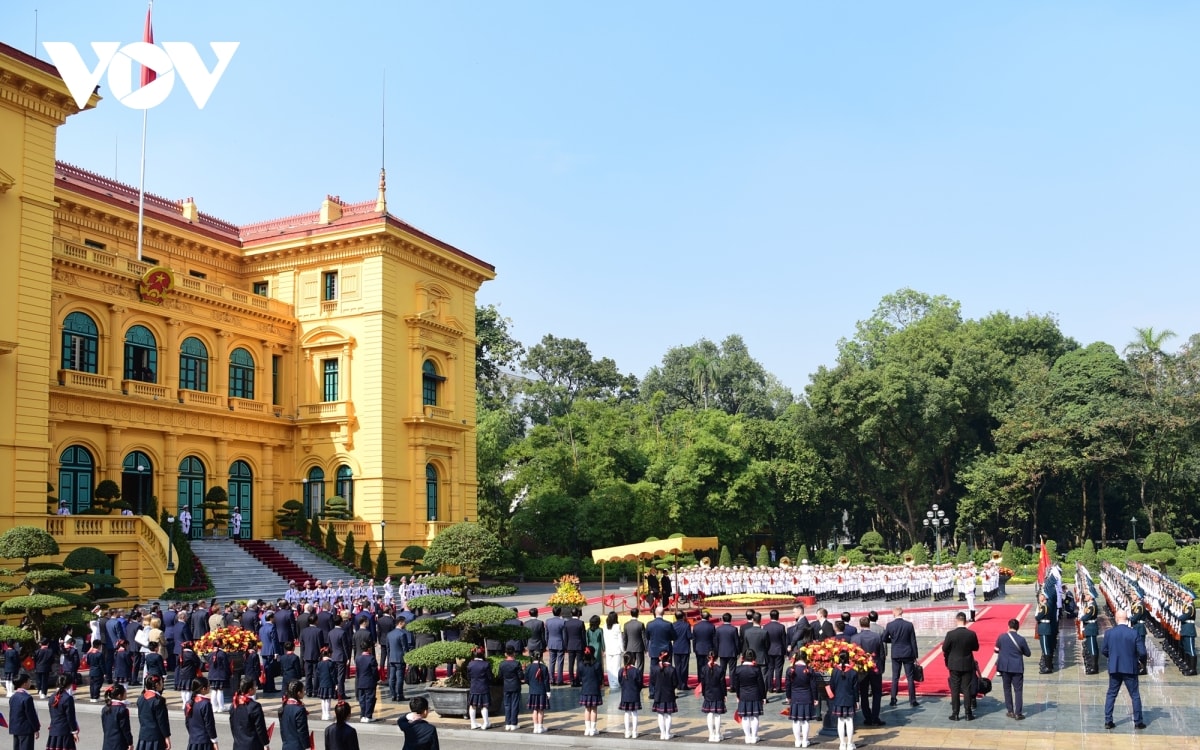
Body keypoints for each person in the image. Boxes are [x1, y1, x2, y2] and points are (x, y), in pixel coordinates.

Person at [1102, 609, 1147, 730]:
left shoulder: (1109, 633)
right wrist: (1138, 661)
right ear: (1126, 619)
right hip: (1130, 667)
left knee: (1111, 694)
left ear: (1116, 619)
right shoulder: (1134, 633)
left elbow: (1104, 650)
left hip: (1114, 667)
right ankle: (1138, 722)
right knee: (1135, 695)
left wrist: (1112, 658)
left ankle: (1108, 720)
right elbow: (1142, 652)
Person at [942, 612, 979, 721]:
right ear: (965, 621)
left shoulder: (950, 634)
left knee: (955, 689)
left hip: (954, 664)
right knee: (967, 688)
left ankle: (955, 713)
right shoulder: (971, 634)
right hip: (967, 663)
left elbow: (944, 648)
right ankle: (968, 713)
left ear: (956, 620)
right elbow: (976, 647)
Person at [850, 616, 885, 726]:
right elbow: (882, 654)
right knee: (877, 693)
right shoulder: (876, 636)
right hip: (875, 667)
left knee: (864, 693)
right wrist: (881, 667)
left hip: (861, 669)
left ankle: (867, 717)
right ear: (869, 624)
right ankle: (875, 716)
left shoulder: (855, 638)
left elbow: (853, 656)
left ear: (860, 624)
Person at [993, 618, 1030, 720]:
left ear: (1008, 626)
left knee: (1007, 689)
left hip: (1004, 667)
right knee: (1018, 691)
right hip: (1017, 667)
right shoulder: (1021, 639)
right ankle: (1018, 713)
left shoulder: (1002, 637)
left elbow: (996, 650)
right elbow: (1028, 653)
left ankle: (1010, 711)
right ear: (1018, 628)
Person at [883, 607, 919, 707]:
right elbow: (913, 641)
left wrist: (893, 640)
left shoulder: (890, 625)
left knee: (895, 677)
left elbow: (884, 638)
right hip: (908, 653)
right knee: (910, 678)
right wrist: (915, 655)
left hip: (896, 653)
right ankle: (912, 700)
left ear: (894, 614)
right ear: (902, 613)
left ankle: (893, 699)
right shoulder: (909, 625)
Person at [731, 649, 767, 744]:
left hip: (743, 695)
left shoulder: (738, 669)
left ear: (743, 657)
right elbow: (761, 684)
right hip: (755, 695)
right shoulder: (756, 669)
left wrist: (738, 695)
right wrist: (763, 696)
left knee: (745, 717)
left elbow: (736, 685)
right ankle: (754, 736)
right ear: (753, 658)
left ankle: (747, 737)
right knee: (755, 717)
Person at [786, 651, 820, 748]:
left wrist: (788, 697)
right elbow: (813, 686)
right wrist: (815, 698)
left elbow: (788, 686)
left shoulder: (790, 670)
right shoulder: (809, 670)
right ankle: (805, 741)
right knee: (805, 721)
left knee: (796, 720)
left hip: (795, 697)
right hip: (807, 696)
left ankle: (797, 741)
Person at [826, 651, 859, 750]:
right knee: (849, 721)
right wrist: (857, 701)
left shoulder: (835, 671)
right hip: (849, 700)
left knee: (840, 722)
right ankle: (850, 743)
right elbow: (856, 689)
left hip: (838, 699)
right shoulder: (853, 672)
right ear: (849, 658)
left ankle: (842, 744)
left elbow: (832, 686)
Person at [231, 677, 270, 750]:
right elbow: (260, 728)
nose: (256, 688)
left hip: (238, 745)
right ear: (250, 690)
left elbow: (233, 726)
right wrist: (265, 743)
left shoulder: (234, 704)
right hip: (253, 745)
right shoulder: (255, 706)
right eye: (255, 686)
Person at [135, 675, 171, 750]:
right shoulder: (158, 701)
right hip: (156, 737)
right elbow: (162, 721)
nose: (162, 684)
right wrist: (166, 736)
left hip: (143, 735)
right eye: (161, 682)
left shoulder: (141, 698)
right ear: (157, 685)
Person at [45, 675, 80, 750]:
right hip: (65, 732)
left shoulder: (52, 697)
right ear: (69, 684)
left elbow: (52, 714)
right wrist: (74, 731)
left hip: (54, 730)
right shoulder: (68, 698)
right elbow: (70, 717)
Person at [699, 651, 727, 744]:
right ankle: (718, 734)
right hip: (718, 693)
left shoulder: (704, 669)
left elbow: (703, 683)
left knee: (709, 714)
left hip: (708, 693)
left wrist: (704, 693)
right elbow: (722, 683)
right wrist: (724, 694)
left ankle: (711, 734)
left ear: (708, 657)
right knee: (717, 715)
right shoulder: (720, 669)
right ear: (717, 658)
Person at [184, 676, 218, 750]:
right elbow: (209, 724)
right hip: (204, 742)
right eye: (209, 686)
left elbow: (187, 723)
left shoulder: (188, 703)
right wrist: (214, 740)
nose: (210, 688)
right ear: (203, 689)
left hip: (193, 740)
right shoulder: (205, 703)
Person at [650, 650, 678, 740]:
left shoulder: (654, 668)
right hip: (669, 695)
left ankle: (662, 733)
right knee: (668, 715)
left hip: (658, 694)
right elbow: (675, 683)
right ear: (669, 658)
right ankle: (667, 733)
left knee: (660, 715)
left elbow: (653, 682)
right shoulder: (672, 669)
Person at [577, 646, 604, 736]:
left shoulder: (581, 664)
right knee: (594, 709)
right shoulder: (597, 664)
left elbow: (579, 677)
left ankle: (587, 729)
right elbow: (600, 677)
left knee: (587, 709)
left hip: (585, 689)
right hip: (595, 689)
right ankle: (593, 729)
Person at [8, 674, 39, 750]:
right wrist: (36, 728)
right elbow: (31, 715)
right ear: (24, 684)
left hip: (15, 728)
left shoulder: (13, 697)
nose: (30, 682)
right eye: (29, 681)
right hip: (26, 729)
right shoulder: (27, 698)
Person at [497, 646, 524, 731]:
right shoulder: (516, 663)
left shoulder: (502, 664)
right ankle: (514, 723)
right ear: (514, 653)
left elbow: (500, 676)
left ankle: (507, 723)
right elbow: (521, 676)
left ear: (505, 654)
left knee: (507, 705)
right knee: (515, 704)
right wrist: (523, 670)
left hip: (506, 686)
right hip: (515, 685)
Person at [524, 650, 551, 735]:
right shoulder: (544, 667)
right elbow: (546, 681)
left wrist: (531, 685)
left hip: (532, 691)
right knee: (541, 710)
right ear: (541, 657)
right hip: (542, 691)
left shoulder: (529, 667)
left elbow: (526, 680)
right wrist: (548, 691)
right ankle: (540, 727)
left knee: (534, 710)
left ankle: (535, 727)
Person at [617, 652, 643, 740]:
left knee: (627, 714)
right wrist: (637, 690)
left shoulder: (621, 670)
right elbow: (640, 683)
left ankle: (627, 732)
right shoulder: (636, 671)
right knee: (634, 713)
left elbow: (620, 682)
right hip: (634, 695)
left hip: (625, 695)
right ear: (633, 660)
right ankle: (634, 732)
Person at [99, 683, 133, 750]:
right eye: (125, 692)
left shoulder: (105, 708)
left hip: (107, 742)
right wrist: (130, 742)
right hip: (119, 743)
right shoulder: (122, 710)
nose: (126, 694)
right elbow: (125, 729)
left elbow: (104, 726)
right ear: (119, 696)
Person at [278, 680, 310, 750]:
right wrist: (307, 746)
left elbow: (282, 730)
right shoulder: (299, 710)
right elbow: (302, 731)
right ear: (298, 693)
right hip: (298, 746)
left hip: (286, 745)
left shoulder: (283, 707)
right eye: (303, 690)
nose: (304, 692)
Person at [465, 648, 491, 730]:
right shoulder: (486, 664)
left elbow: (468, 676)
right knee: (484, 706)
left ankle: (473, 723)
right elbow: (490, 677)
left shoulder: (470, 664)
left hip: (474, 687)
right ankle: (486, 723)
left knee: (472, 706)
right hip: (483, 687)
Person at [353, 641, 379, 724]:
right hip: (369, 681)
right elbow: (374, 672)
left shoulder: (358, 658)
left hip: (360, 681)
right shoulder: (371, 658)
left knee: (362, 699)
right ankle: (368, 715)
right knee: (370, 699)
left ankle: (362, 715)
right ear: (369, 648)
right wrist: (376, 679)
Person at [602, 611, 624, 688]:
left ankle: (612, 684)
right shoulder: (617, 626)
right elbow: (620, 639)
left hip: (608, 649)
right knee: (616, 668)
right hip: (616, 650)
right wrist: (622, 649)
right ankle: (617, 683)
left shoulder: (604, 626)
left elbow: (604, 639)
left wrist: (604, 649)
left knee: (610, 668)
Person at [314, 648, 336, 721]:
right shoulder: (331, 663)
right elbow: (333, 675)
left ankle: (324, 714)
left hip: (321, 683)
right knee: (328, 700)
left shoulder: (319, 663)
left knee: (323, 700)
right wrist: (336, 683)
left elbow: (317, 675)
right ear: (329, 654)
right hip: (329, 683)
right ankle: (328, 714)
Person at [623, 608, 648, 673]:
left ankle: (631, 679)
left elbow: (624, 638)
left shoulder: (626, 625)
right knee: (640, 665)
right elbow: (644, 638)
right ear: (638, 614)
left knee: (630, 665)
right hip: (639, 648)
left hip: (630, 648)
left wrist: (625, 648)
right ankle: (639, 680)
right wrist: (646, 648)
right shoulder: (640, 624)